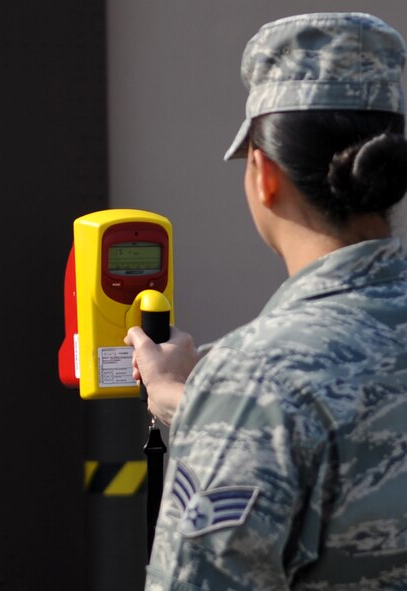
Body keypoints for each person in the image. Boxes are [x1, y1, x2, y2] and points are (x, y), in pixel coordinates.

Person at [125, 12, 407, 590]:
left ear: (264, 173)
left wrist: (219, 404)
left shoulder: (253, 380)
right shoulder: (247, 390)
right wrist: (193, 404)